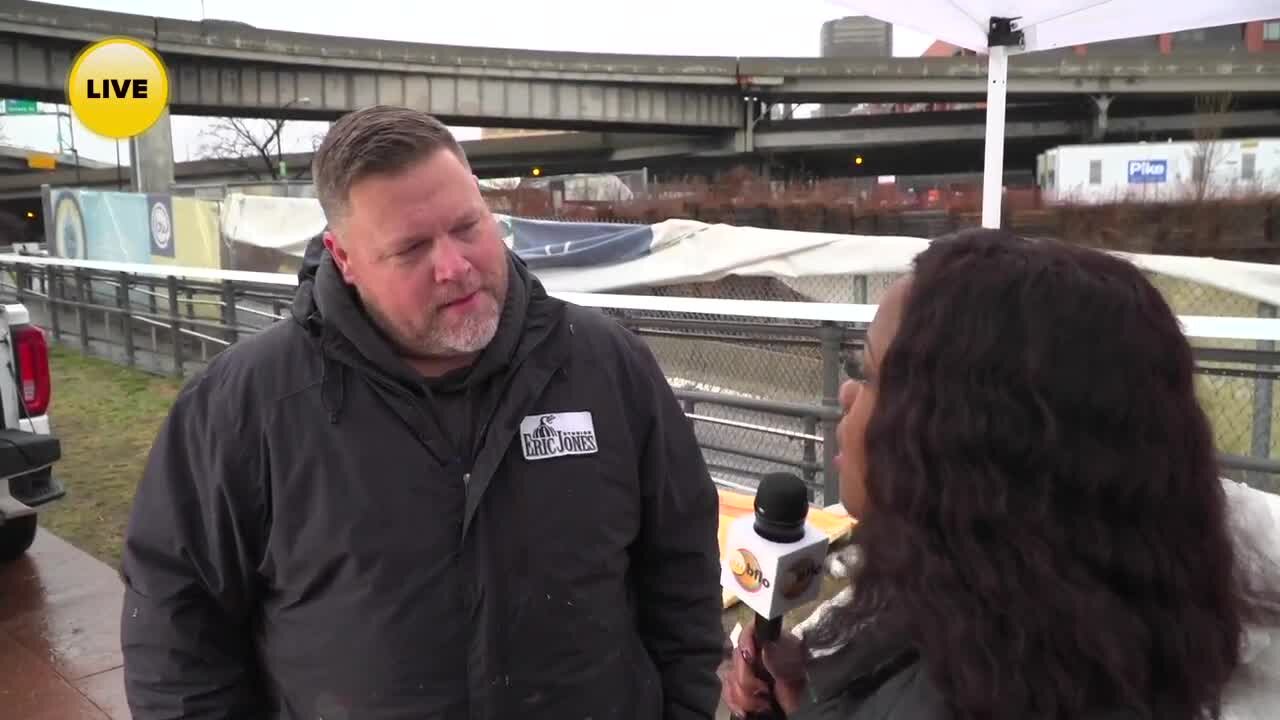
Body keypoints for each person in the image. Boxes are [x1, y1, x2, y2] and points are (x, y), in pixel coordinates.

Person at [119, 105, 724, 720]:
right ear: (344, 257)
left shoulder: (608, 367)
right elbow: (178, 640)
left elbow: (683, 578)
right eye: (410, 248)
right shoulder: (244, 408)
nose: (455, 267)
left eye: (468, 226)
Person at [722, 229, 1252, 720]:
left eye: (869, 374)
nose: (845, 394)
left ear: (969, 444)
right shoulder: (1034, 642)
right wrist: (809, 702)